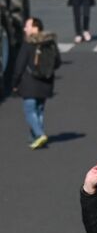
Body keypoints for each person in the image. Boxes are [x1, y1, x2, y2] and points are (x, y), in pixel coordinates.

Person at [15, 17, 60, 148]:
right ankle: (35, 138)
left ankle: (40, 134)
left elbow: (19, 66)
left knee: (30, 111)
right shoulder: (50, 43)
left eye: (27, 26)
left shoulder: (28, 44)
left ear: (35, 28)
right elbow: (57, 62)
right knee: (39, 110)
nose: (24, 28)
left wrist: (15, 83)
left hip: (29, 84)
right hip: (46, 82)